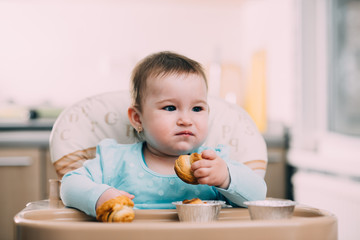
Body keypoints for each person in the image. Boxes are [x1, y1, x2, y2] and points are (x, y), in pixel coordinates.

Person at [60, 51, 267, 217]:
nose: (186, 119)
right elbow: (69, 186)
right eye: (170, 108)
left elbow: (258, 195)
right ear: (138, 119)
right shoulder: (114, 161)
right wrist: (100, 197)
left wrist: (226, 177)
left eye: (197, 109)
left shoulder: (212, 164)